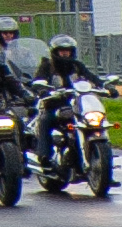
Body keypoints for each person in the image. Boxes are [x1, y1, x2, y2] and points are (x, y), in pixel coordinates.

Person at [28, 29, 105, 175]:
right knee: (45, 120)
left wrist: (106, 87)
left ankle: (103, 163)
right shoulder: (47, 66)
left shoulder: (76, 66)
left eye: (68, 51)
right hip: (54, 105)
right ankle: (44, 157)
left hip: (77, 105)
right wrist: (43, 89)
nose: (65, 54)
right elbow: (38, 80)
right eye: (62, 51)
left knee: (95, 122)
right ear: (55, 52)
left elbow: (91, 77)